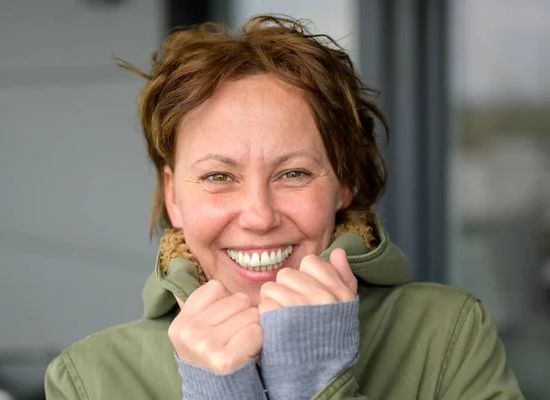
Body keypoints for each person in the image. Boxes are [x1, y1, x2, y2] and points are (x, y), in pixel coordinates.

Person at [44, 15, 524, 399]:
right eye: (218, 177)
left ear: (345, 182)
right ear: (174, 195)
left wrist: (317, 384)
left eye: (293, 173)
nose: (258, 215)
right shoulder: (86, 380)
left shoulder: (447, 333)